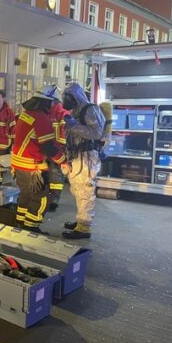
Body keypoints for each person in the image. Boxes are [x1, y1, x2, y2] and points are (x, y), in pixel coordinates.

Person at [11, 88, 67, 233]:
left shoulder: (26, 114)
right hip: (32, 167)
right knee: (41, 198)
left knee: (25, 195)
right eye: (51, 103)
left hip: (19, 165)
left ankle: (21, 224)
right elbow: (48, 146)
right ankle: (31, 227)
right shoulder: (41, 118)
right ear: (45, 103)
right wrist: (63, 161)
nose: (52, 106)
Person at [61, 82, 106, 239]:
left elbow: (97, 133)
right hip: (77, 156)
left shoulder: (90, 110)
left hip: (86, 157)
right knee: (77, 190)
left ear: (75, 96)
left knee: (85, 191)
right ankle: (80, 220)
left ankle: (84, 228)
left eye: (68, 97)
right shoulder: (76, 111)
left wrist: (74, 125)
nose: (66, 100)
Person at [46, 85, 70, 212]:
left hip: (57, 150)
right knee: (47, 175)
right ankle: (47, 198)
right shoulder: (48, 112)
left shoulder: (62, 113)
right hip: (46, 150)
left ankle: (54, 200)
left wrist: (60, 150)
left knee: (55, 175)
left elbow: (64, 134)